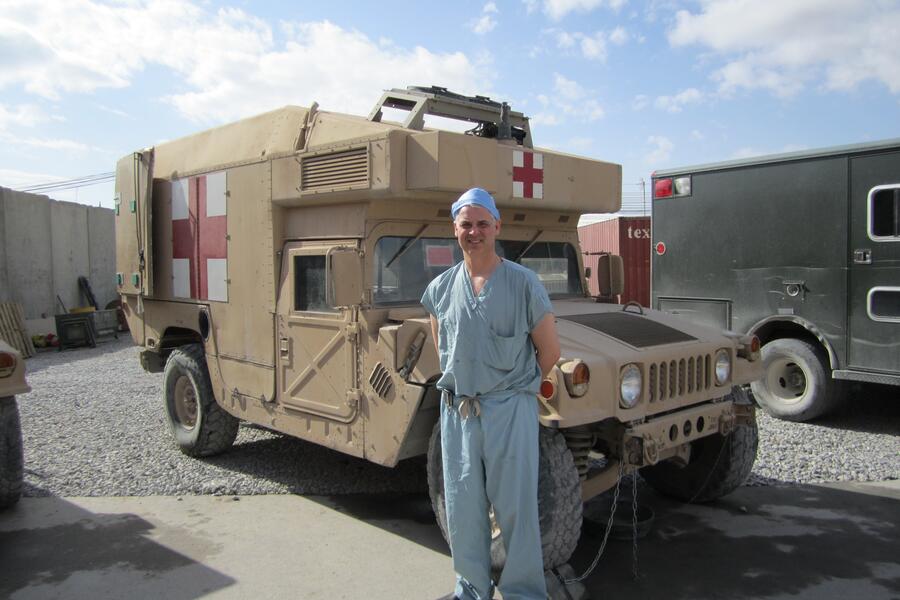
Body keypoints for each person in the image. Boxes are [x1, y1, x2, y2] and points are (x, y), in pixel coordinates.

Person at [421, 188, 561, 600]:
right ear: (455, 230)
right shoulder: (441, 289)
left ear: (497, 226)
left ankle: (523, 593)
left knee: (516, 509)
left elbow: (550, 353)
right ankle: (471, 589)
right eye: (466, 224)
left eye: (483, 223)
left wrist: (512, 393)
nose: (474, 232)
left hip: (509, 411)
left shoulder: (523, 284)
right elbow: (446, 350)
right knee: (463, 509)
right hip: (459, 413)